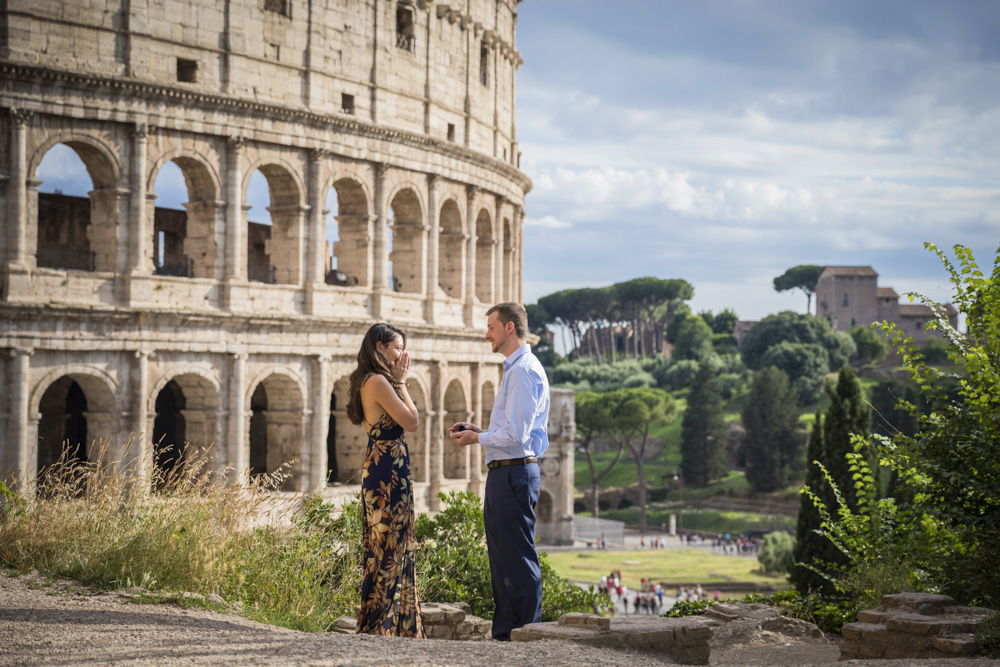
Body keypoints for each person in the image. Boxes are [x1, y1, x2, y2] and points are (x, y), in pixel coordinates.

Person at [448, 302, 550, 641]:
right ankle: (507, 630)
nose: (486, 333)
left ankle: (523, 629)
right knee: (504, 554)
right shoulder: (518, 368)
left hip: (514, 473)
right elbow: (512, 431)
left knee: (516, 556)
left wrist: (478, 438)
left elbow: (517, 435)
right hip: (509, 470)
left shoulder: (521, 371)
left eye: (491, 326)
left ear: (509, 328)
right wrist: (481, 433)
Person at [348, 323, 424, 638]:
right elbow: (411, 420)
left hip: (382, 466)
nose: (402, 354)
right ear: (380, 348)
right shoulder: (379, 381)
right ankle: (383, 625)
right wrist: (403, 382)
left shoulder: (369, 379)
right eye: (397, 347)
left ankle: (383, 623)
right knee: (390, 544)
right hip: (388, 473)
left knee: (385, 544)